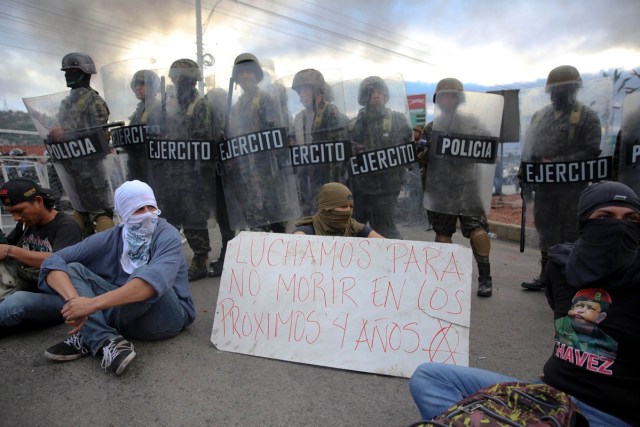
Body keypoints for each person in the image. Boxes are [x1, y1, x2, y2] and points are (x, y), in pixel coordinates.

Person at [409, 181, 640, 427]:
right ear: (584, 222)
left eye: (631, 219)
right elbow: (565, 330)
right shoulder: (561, 268)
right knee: (428, 377)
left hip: (605, 414)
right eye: (605, 216)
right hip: (548, 394)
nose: (619, 226)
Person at [39, 180, 195, 376]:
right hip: (125, 316)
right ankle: (103, 339)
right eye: (138, 209)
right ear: (124, 213)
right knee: (72, 268)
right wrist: (75, 303)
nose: (148, 214)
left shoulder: (167, 235)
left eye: (151, 206)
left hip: (166, 319)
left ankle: (89, 332)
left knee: (143, 273)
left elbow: (150, 285)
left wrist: (91, 306)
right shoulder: (112, 236)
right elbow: (53, 261)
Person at [521, 65, 602, 291]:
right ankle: (546, 275)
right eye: (554, 90)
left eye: (564, 88)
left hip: (572, 190)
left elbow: (591, 151)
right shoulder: (539, 117)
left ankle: (570, 277)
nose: (558, 93)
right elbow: (529, 152)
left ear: (574, 89)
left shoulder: (586, 116)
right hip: (545, 188)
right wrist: (524, 179)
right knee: (546, 230)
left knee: (571, 233)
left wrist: (558, 162)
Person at [422, 78, 495, 297]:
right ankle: (446, 279)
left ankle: (485, 278)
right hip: (442, 189)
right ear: (438, 99)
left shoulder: (473, 124)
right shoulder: (431, 128)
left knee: (477, 232)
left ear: (459, 99)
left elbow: (487, 153)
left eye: (452, 95)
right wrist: (430, 151)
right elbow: (421, 159)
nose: (447, 99)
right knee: (442, 235)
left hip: (468, 187)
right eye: (444, 95)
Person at [147, 58, 214, 281]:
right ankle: (167, 257)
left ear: (193, 80)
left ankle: (200, 259)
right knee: (168, 218)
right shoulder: (167, 105)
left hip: (192, 174)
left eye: (183, 79)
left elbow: (202, 138)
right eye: (176, 78)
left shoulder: (200, 105)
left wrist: (175, 140)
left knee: (194, 218)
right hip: (169, 173)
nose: (179, 83)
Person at [0, 179, 82, 337]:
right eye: (11, 212)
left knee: (17, 302)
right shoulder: (26, 223)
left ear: (38, 201)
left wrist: (10, 251)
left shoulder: (66, 226)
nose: (15, 217)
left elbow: (58, 262)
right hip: (29, 285)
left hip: (62, 297)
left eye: (19, 210)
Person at [48, 52, 115, 237]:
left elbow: (99, 136)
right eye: (66, 71)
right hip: (72, 168)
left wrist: (67, 133)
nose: (67, 75)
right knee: (80, 212)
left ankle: (109, 258)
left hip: (91, 169)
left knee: (101, 214)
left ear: (85, 73)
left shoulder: (95, 101)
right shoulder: (66, 103)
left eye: (72, 71)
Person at [224, 53, 291, 233]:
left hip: (269, 174)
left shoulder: (267, 100)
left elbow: (278, 139)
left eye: (249, 72)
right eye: (241, 73)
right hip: (247, 176)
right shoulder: (237, 107)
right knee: (255, 225)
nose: (245, 76)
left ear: (257, 75)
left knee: (277, 221)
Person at [348, 76, 413, 240]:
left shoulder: (397, 120)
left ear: (385, 95)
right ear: (364, 96)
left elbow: (406, 152)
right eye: (372, 92)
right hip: (360, 189)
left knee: (386, 232)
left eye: (379, 92)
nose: (376, 96)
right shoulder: (354, 124)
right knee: (355, 233)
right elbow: (346, 155)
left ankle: (396, 264)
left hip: (386, 188)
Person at [290, 69, 348, 215]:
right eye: (299, 91)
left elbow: (337, 155)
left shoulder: (330, 113)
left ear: (317, 90)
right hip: (307, 182)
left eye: (305, 90)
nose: (302, 94)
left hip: (328, 180)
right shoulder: (299, 118)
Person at [294, 182, 383, 238]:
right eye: (343, 206)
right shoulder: (308, 230)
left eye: (350, 207)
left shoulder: (354, 227)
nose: (348, 211)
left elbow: (387, 247)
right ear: (327, 208)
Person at [124, 69, 161, 182]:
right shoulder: (140, 110)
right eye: (136, 85)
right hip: (137, 163)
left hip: (152, 167)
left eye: (142, 84)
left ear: (152, 87)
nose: (137, 88)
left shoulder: (158, 108)